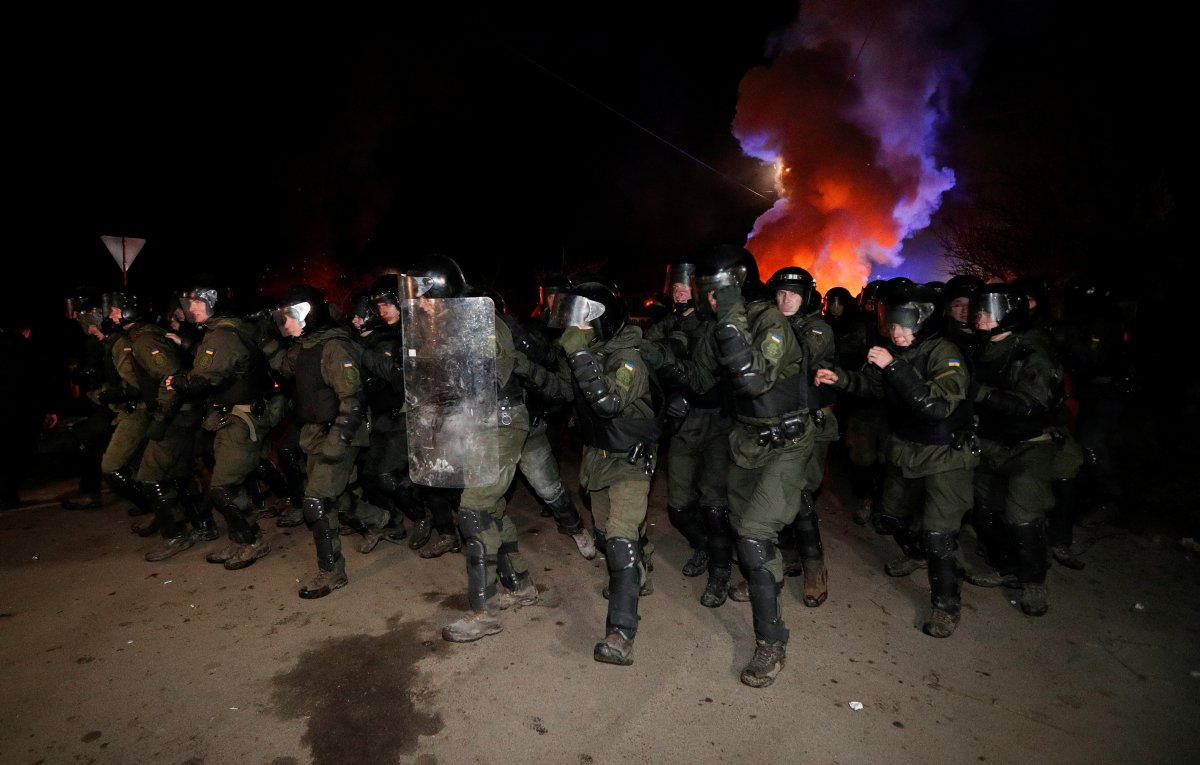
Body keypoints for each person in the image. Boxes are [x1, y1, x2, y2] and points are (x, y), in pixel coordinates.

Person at [815, 278, 978, 638]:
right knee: (890, 516)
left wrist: (893, 367)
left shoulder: (945, 354)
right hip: (907, 447)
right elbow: (873, 387)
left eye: (906, 324)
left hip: (946, 453)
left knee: (938, 533)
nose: (897, 331)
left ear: (926, 321)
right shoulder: (895, 351)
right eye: (893, 323)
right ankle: (917, 553)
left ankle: (946, 605)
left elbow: (935, 407)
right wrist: (839, 378)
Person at [686, 244, 816, 687]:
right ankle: (766, 579)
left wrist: (728, 319)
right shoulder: (717, 325)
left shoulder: (769, 320)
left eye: (716, 289)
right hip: (746, 440)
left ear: (736, 285)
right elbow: (699, 380)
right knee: (744, 528)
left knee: (755, 537)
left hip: (787, 443)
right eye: (705, 289)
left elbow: (754, 379)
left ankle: (771, 642)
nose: (708, 297)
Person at [435, 260, 566, 641]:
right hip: (483, 422)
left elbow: (490, 372)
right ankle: (521, 585)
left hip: (503, 422)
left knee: (474, 511)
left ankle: (485, 612)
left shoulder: (481, 321)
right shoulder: (454, 321)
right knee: (491, 509)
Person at [546, 280, 661, 665]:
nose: (573, 328)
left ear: (602, 321)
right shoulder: (588, 352)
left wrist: (577, 352)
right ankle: (638, 569)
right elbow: (563, 393)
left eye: (580, 320)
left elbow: (608, 402)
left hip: (630, 459)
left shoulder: (629, 359)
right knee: (605, 533)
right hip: (597, 456)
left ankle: (620, 634)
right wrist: (523, 364)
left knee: (620, 539)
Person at [263, 284, 391, 598]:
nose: (285, 323)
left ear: (310, 314)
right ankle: (379, 519)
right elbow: (285, 367)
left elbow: (353, 400)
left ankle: (332, 572)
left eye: (289, 316)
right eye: (282, 318)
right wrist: (264, 339)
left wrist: (339, 439)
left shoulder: (335, 347)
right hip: (315, 432)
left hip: (339, 432)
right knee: (335, 495)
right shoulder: (305, 345)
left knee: (317, 501)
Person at [471, 284, 596, 560]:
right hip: (491, 429)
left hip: (526, 423)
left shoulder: (514, 334)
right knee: (485, 494)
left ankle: (576, 529)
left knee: (548, 487)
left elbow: (546, 365)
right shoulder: (468, 341)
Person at [91, 290, 216, 561]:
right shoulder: (141, 336)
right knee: (180, 473)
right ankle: (204, 525)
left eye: (116, 309)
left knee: (150, 476)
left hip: (175, 416)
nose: (111, 314)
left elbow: (171, 379)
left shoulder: (145, 339)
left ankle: (176, 535)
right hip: (180, 414)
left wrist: (161, 417)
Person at [963, 283, 1065, 616]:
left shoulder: (1031, 352)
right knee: (986, 511)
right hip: (988, 443)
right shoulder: (978, 348)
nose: (981, 316)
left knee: (1023, 516)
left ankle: (1033, 581)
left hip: (1028, 446)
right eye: (979, 309)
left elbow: (1033, 404)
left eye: (989, 310)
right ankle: (1005, 566)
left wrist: (981, 394)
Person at [165, 277, 275, 571]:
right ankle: (241, 540)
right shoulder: (223, 331)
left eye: (199, 302)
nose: (192, 308)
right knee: (226, 485)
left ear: (215, 303)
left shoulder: (223, 335)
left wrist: (178, 382)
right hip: (230, 417)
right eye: (189, 302)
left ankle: (253, 541)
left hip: (240, 419)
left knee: (224, 487)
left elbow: (204, 378)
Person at [758, 265, 831, 608]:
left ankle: (815, 568)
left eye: (794, 295)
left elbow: (799, 355)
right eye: (781, 293)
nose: (786, 300)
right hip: (776, 419)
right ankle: (786, 555)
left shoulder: (817, 329)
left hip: (810, 423)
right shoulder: (771, 325)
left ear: (807, 299)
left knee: (800, 496)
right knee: (770, 491)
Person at [641, 262, 715, 579]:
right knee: (679, 504)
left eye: (684, 287)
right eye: (675, 288)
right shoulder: (669, 321)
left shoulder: (711, 325)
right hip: (681, 424)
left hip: (714, 421)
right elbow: (649, 346)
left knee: (715, 501)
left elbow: (710, 375)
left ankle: (720, 558)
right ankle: (704, 546)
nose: (679, 293)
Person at [353, 277, 429, 550]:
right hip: (383, 414)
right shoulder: (381, 335)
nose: (383, 311)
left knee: (387, 474)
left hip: (408, 412)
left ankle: (422, 517)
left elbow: (397, 376)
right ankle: (391, 522)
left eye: (387, 304)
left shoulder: (413, 331)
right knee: (369, 475)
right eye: (378, 307)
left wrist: (362, 351)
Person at [59, 286, 117, 511]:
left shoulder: (107, 340)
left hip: (113, 402)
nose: (76, 317)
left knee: (89, 443)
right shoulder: (92, 340)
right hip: (103, 401)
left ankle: (92, 493)